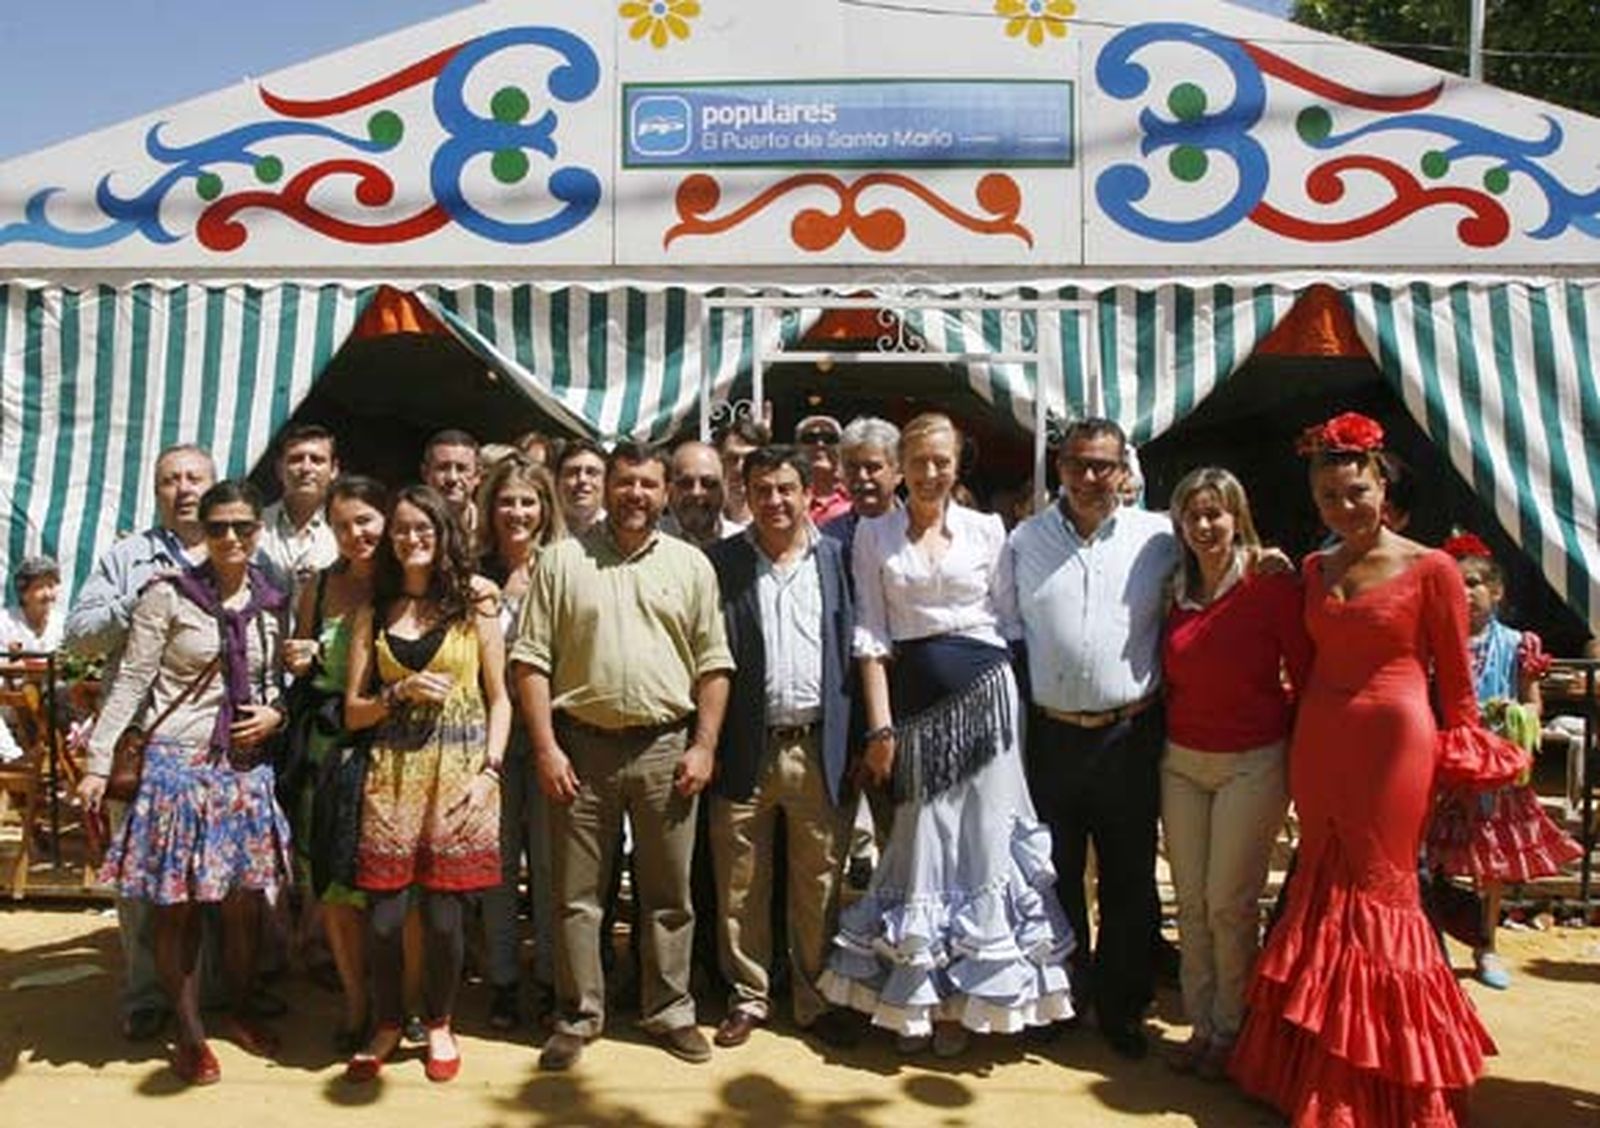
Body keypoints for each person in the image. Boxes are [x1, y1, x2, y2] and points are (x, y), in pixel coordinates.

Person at [1230, 412, 1529, 1128]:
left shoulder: (1432, 569)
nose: (1344, 507)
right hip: (1321, 742)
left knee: (1383, 894)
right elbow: (1298, 669)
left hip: (1398, 744)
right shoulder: (1312, 568)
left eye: (1355, 492)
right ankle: (1311, 1071)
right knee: (1320, 885)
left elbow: (1456, 686)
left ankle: (1391, 1085)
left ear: (1382, 487)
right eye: (1329, 497)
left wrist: (1474, 753)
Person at [819, 413, 1074, 1058]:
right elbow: (871, 639)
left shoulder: (990, 530)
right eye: (919, 461)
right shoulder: (872, 535)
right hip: (913, 712)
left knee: (984, 846)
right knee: (922, 844)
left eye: (942, 461)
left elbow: (1010, 626)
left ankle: (968, 1007)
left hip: (988, 702)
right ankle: (918, 997)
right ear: (900, 464)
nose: (930, 473)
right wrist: (879, 727)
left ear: (958, 464)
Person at [512, 440, 734, 1071]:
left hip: (667, 747)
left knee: (669, 895)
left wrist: (704, 746)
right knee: (578, 896)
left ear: (664, 493)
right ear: (606, 487)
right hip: (581, 747)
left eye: (648, 484)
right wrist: (547, 747)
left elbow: (714, 664)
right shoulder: (559, 562)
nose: (636, 494)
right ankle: (579, 1015)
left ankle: (669, 1011)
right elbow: (530, 661)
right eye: (625, 482)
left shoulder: (692, 566)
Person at [78, 480, 291, 1085]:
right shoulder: (166, 596)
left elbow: (274, 681)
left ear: (258, 531)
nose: (230, 537)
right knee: (181, 910)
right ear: (201, 528)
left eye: (242, 527)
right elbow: (131, 682)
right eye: (218, 526)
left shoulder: (272, 600)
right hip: (178, 770)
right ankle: (190, 1031)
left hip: (244, 771)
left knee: (245, 905)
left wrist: (278, 711)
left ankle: (242, 1007)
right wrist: (98, 763)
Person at [1003, 418, 1177, 1060]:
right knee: (1056, 874)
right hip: (1051, 737)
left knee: (1130, 878)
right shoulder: (1023, 540)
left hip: (1129, 733)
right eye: (1078, 464)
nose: (1090, 478)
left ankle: (1123, 1004)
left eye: (1102, 465)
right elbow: (1004, 627)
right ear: (1060, 467)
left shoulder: (1159, 537)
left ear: (1124, 469)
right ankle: (1062, 996)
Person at [342, 485, 509, 1083]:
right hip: (391, 776)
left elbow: (501, 697)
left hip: (460, 774)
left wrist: (491, 771)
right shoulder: (373, 609)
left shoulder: (477, 600)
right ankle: (388, 1021)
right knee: (384, 919)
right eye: (403, 531)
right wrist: (398, 692)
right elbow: (353, 711)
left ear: (443, 535)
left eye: (424, 530)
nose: (412, 539)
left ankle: (439, 1021)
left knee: (444, 919)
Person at [1158, 468, 1312, 1079]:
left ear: (1237, 516)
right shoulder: (1173, 588)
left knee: (1229, 902)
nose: (1203, 525)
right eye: (1192, 514)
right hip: (1182, 762)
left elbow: (1304, 675)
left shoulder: (1271, 584)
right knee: (1192, 904)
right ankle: (1203, 1026)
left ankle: (1233, 1030)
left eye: (1215, 513)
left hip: (1253, 762)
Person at [705, 446, 858, 1049]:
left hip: (818, 745)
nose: (775, 501)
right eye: (762, 489)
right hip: (745, 745)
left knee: (818, 881)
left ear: (807, 492)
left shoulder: (838, 560)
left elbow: (856, 647)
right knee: (740, 881)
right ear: (745, 493)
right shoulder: (721, 564)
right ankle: (749, 996)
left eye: (786, 489)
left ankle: (814, 997)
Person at [63, 443, 216, 1042]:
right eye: (171, 479)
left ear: (213, 482)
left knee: (209, 872)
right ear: (156, 491)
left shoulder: (233, 549)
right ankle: (148, 994)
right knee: (140, 876)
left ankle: (208, 994)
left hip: (211, 739)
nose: (184, 488)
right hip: (138, 741)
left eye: (194, 477)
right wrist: (138, 599)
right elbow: (78, 637)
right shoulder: (128, 557)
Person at [1424, 533, 1581, 989]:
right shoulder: (1433, 642)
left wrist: (1511, 716)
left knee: (1489, 867)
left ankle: (1486, 944)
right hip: (1445, 765)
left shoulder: (1515, 645)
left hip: (1493, 770)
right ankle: (1432, 942)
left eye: (1475, 583)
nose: (1467, 593)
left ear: (1497, 591)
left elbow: (1533, 706)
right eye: (1457, 584)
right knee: (1432, 859)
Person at [280, 476, 388, 1052]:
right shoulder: (317, 588)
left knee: (387, 886)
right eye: (343, 525)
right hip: (328, 751)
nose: (356, 534)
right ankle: (355, 1000)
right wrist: (297, 658)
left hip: (395, 748)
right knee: (335, 887)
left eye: (366, 520)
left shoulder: (407, 583)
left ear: (387, 518)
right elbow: (298, 663)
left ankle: (394, 999)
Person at [476, 455, 565, 1031]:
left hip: (552, 736)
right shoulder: (472, 571)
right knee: (498, 867)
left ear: (544, 508)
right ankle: (504, 977)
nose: (517, 512)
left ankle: (555, 977)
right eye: (506, 501)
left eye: (528, 501)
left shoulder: (563, 567)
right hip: (487, 740)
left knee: (556, 866)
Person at [257, 423, 340, 596]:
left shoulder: (346, 531)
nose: (306, 468)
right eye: (296, 459)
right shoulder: (255, 526)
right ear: (279, 469)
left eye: (317, 460)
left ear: (334, 470)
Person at [820, 416, 902, 563]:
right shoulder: (829, 538)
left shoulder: (918, 531)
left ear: (898, 472)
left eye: (872, 467)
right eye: (852, 468)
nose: (862, 477)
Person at [661, 440, 740, 549]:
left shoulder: (743, 542)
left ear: (725, 488)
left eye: (708, 483)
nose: (696, 492)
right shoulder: (649, 539)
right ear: (669, 489)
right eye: (685, 483)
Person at [421, 429, 482, 539]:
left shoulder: (491, 530)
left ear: (477, 475)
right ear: (425, 473)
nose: (452, 478)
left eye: (461, 469)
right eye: (443, 468)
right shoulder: (413, 532)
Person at [795, 415, 852, 526]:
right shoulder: (785, 498)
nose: (820, 444)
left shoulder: (857, 499)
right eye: (810, 439)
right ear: (797, 448)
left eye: (829, 439)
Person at [717, 418, 769, 529]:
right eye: (732, 459)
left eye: (749, 458)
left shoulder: (774, 516)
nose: (740, 468)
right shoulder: (708, 518)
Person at [555, 436, 608, 536]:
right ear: (557, 481)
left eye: (591, 472)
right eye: (572, 472)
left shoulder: (621, 535)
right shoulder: (540, 532)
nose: (582, 479)